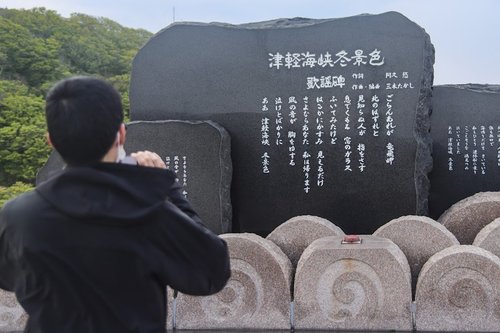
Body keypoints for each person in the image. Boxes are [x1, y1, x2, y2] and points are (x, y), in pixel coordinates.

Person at [0, 76, 231, 333]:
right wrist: (168, 189)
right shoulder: (148, 211)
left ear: (51, 140)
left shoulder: (17, 215)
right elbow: (212, 271)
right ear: (121, 133)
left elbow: (8, 277)